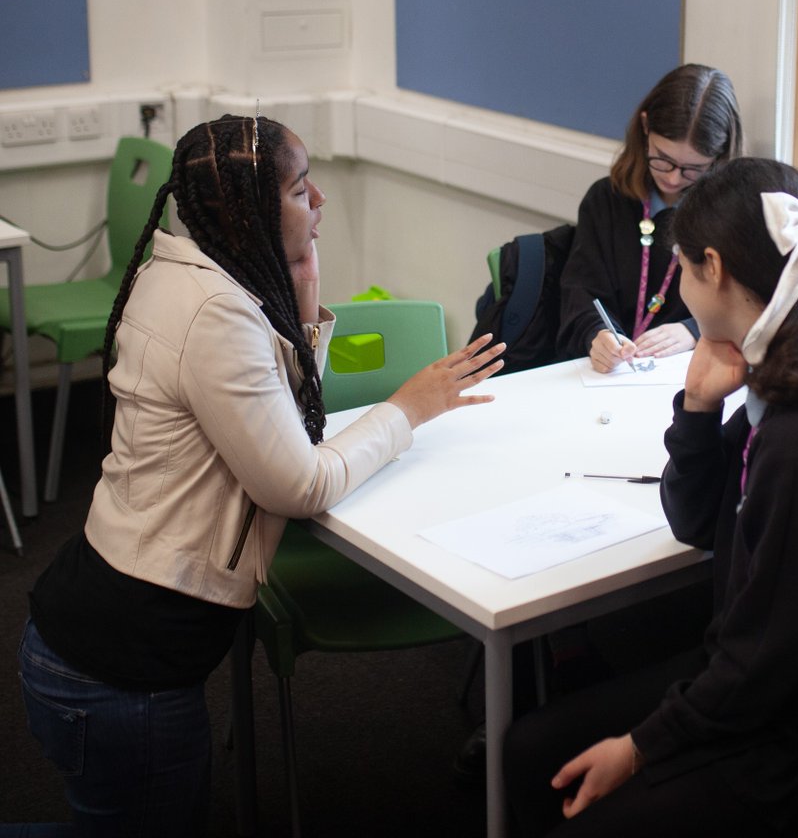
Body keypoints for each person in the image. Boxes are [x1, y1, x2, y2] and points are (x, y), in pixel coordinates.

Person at [15, 115, 504, 837]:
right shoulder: (218, 314)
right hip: (119, 668)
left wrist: (304, 290)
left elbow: (288, 425)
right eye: (301, 189)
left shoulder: (197, 276)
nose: (320, 201)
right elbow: (299, 484)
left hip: (107, 639)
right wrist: (408, 408)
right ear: (248, 211)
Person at [506, 157, 798, 837]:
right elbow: (696, 523)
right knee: (530, 751)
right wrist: (695, 406)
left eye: (683, 267)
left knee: (557, 777)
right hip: (792, 679)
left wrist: (641, 748)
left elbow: (763, 663)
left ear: (712, 268)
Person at [557, 64, 743, 372]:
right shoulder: (606, 200)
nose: (672, 178)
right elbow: (581, 292)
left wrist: (694, 330)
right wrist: (599, 334)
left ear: (719, 156)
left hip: (691, 371)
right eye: (663, 159)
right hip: (611, 372)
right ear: (645, 127)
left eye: (692, 169)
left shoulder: (734, 213)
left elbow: (747, 304)